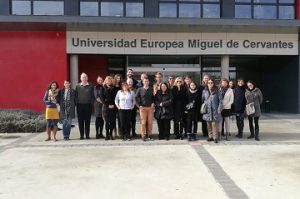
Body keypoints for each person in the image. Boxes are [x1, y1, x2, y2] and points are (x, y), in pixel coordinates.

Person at [202, 79, 222, 143]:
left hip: (215, 110)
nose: (210, 84)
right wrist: (203, 108)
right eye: (209, 83)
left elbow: (220, 101)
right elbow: (203, 100)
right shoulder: (204, 91)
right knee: (208, 125)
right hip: (207, 111)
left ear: (213, 84)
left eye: (211, 83)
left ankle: (215, 137)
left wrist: (219, 109)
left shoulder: (217, 91)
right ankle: (210, 136)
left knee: (214, 125)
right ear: (207, 84)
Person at [75, 73, 94, 140]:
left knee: (87, 122)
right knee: (80, 122)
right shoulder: (77, 86)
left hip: (88, 106)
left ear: (87, 78)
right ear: (81, 78)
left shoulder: (91, 85)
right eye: (83, 77)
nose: (84, 78)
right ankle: (81, 136)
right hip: (79, 106)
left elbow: (92, 95)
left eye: (85, 77)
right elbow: (76, 96)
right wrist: (77, 104)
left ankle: (87, 135)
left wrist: (91, 103)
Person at [101, 76, 119, 140]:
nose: (109, 81)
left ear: (112, 81)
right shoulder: (102, 88)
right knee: (107, 122)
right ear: (105, 81)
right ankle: (107, 135)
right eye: (108, 80)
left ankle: (111, 134)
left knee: (112, 122)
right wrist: (107, 105)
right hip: (106, 107)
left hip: (113, 107)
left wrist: (113, 105)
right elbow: (102, 98)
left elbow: (116, 98)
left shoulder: (114, 88)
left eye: (110, 80)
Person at [114, 74, 122, 138]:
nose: (118, 79)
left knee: (120, 119)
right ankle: (115, 132)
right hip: (113, 105)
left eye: (119, 78)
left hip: (121, 105)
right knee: (113, 119)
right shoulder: (113, 86)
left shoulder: (121, 86)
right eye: (117, 78)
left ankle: (120, 132)